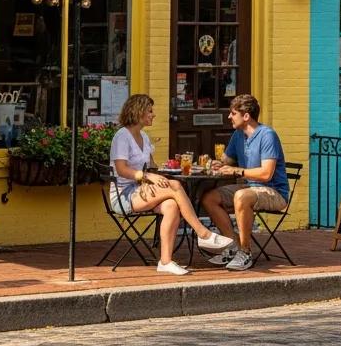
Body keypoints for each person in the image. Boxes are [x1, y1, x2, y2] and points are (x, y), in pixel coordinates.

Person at [109, 94, 234, 275]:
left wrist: (153, 175)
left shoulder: (143, 136)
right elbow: (121, 169)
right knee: (175, 185)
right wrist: (145, 177)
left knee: (171, 205)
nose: (153, 115)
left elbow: (151, 166)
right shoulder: (122, 136)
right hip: (124, 195)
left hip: (141, 189)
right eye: (150, 111)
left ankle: (165, 261)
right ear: (138, 112)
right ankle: (202, 233)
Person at [201, 93, 288, 271]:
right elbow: (226, 160)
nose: (229, 117)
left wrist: (238, 170)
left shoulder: (267, 135)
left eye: (233, 113)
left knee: (241, 196)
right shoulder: (238, 135)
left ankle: (245, 252)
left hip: (273, 191)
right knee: (209, 198)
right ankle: (233, 246)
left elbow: (266, 173)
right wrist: (219, 164)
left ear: (246, 116)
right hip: (249, 188)